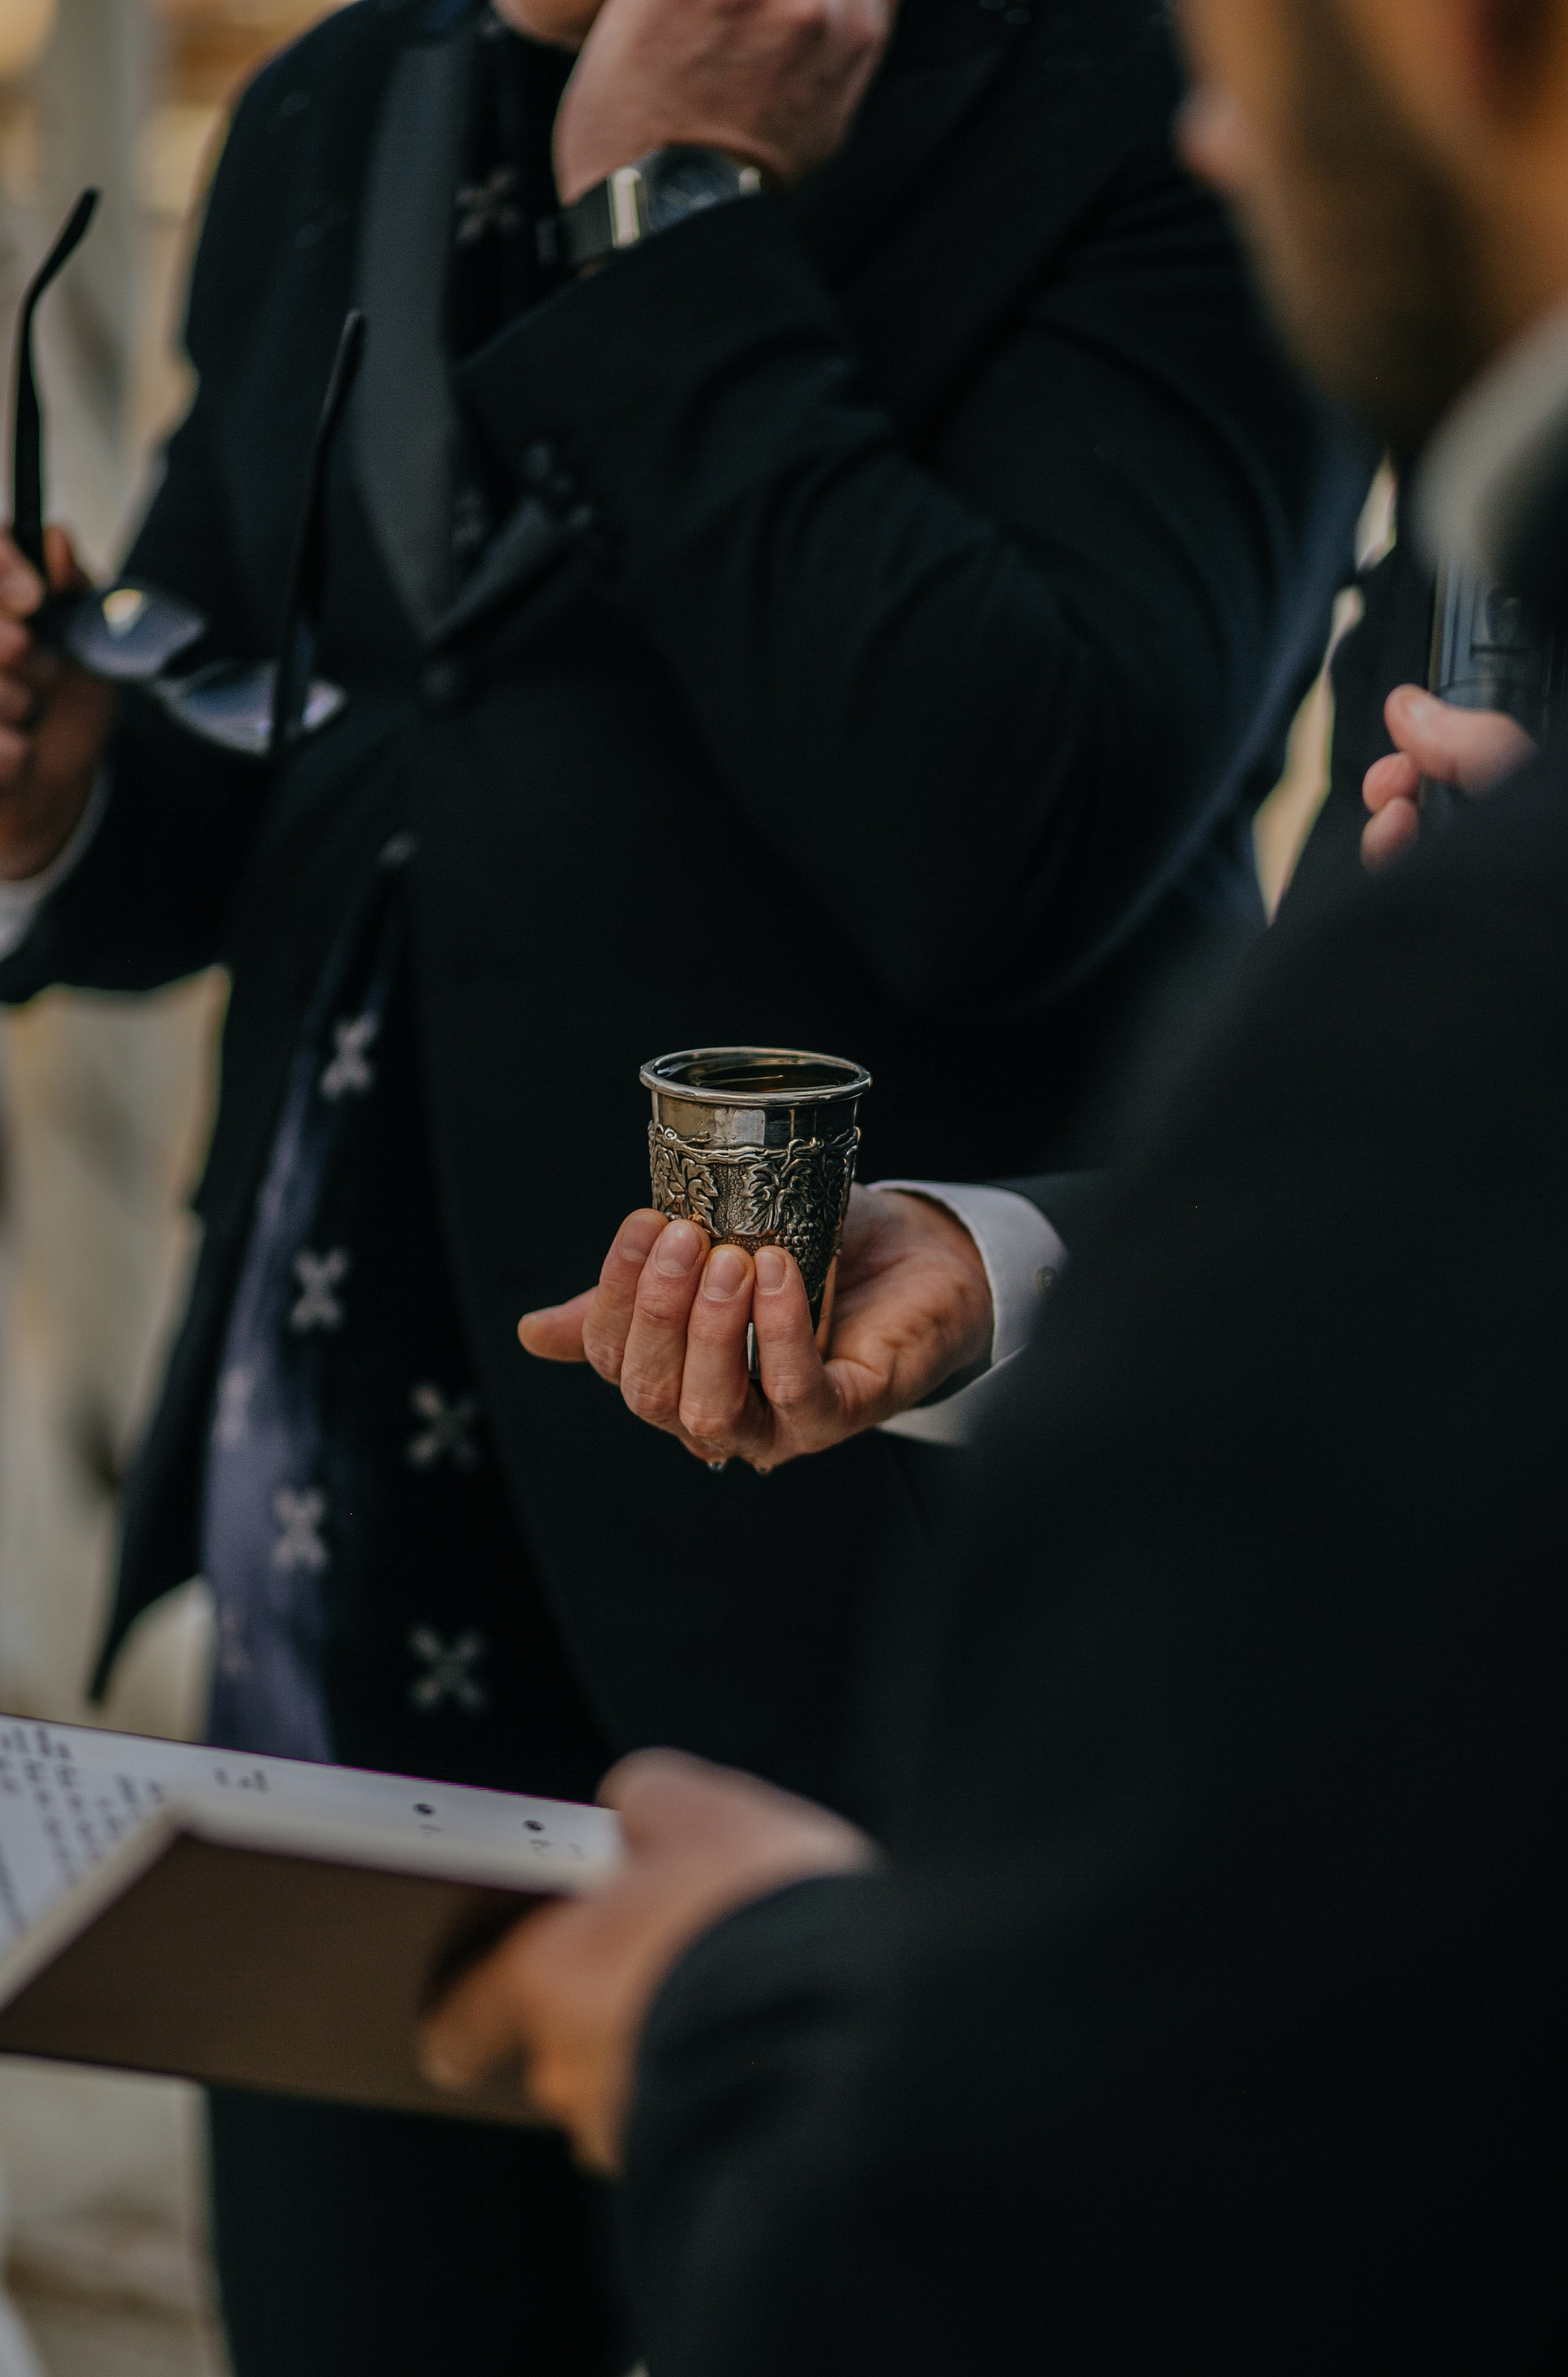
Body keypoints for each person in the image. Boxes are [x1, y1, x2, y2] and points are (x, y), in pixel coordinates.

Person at [0, 0, 1366, 2365]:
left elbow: (1018, 833)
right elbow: (315, 739)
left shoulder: (1172, 97)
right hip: (344, 1608)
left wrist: (675, 221)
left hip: (885, 1586)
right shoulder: (348, 96)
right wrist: (59, 795)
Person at [418, 0, 1568, 2363]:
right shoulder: (1473, 570)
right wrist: (1005, 1261)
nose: (1224, 130)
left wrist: (753, 2009)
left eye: (1260, 45)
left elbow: (1138, 2202)